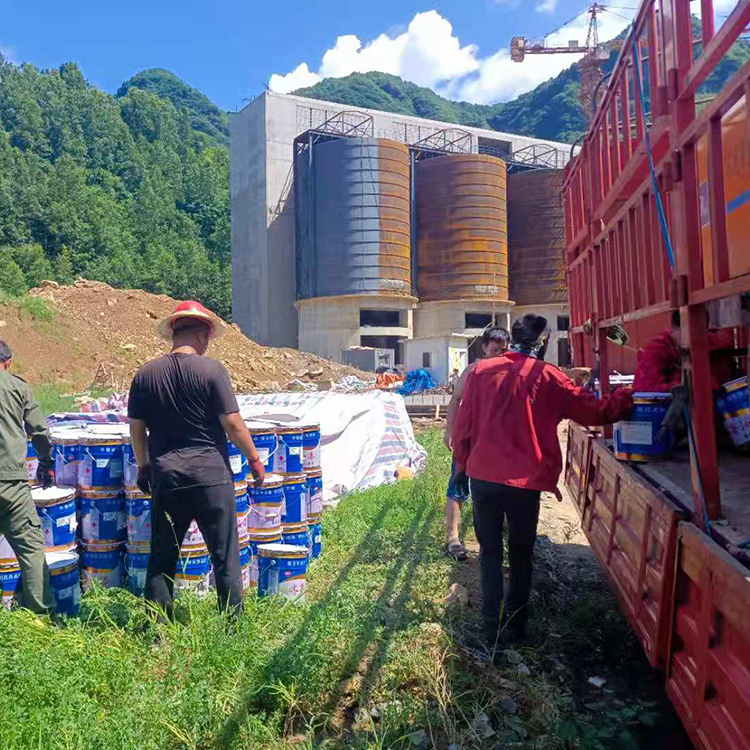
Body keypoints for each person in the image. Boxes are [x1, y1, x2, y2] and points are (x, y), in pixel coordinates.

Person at [453, 314, 632, 648]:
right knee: (521, 557)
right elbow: (594, 412)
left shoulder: (479, 372)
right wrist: (628, 397)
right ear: (543, 343)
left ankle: (489, 632)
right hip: (524, 483)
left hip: (484, 478)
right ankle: (516, 630)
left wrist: (463, 467)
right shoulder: (549, 377)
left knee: (489, 554)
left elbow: (463, 428)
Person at [128, 301, 266, 619]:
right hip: (212, 479)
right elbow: (232, 423)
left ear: (174, 333)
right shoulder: (212, 370)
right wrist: (255, 460)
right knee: (225, 557)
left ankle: (158, 630)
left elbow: (137, 429)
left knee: (162, 559)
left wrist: (144, 466)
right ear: (203, 334)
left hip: (168, 477)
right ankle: (232, 629)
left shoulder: (146, 374)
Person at [443, 326, 510, 561]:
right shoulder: (472, 372)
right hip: (468, 441)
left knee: (495, 492)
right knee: (458, 485)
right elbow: (455, 401)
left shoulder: (510, 373)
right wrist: (449, 430)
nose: (500, 354)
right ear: (484, 348)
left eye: (504, 349)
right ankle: (452, 539)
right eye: (495, 349)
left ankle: (491, 542)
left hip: (494, 444)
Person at [0, 341, 56, 615]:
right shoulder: (18, 387)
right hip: (11, 484)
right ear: (8, 362)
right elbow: (40, 432)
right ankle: (39, 616)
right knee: (31, 550)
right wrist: (46, 463)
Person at [633, 310, 736, 393]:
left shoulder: (710, 341)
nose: (693, 338)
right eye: (687, 332)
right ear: (674, 329)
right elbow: (644, 387)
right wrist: (686, 385)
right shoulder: (656, 349)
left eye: (700, 332)